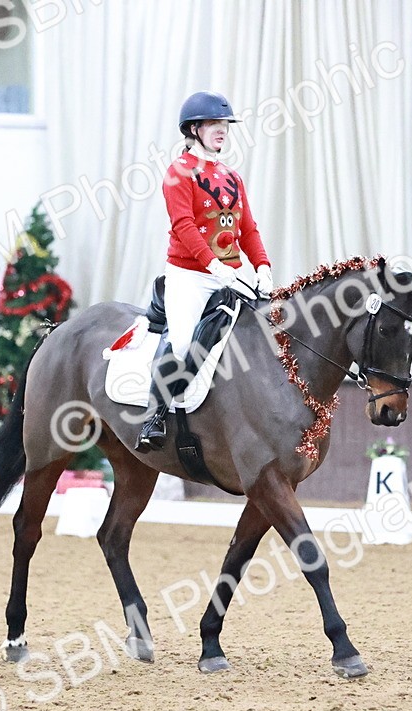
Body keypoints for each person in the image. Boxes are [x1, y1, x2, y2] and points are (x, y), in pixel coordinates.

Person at [135, 90, 274, 453]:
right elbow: (183, 225)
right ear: (194, 129)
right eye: (214, 124)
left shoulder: (232, 177)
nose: (222, 130)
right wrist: (213, 264)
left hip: (232, 274)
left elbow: (248, 230)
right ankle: (154, 416)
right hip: (190, 275)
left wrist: (262, 267)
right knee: (183, 341)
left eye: (225, 124)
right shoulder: (178, 172)